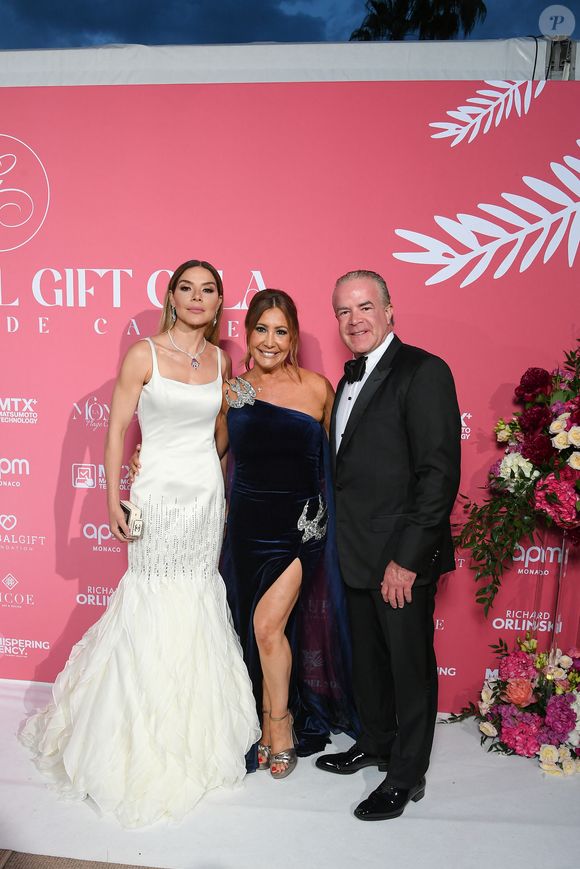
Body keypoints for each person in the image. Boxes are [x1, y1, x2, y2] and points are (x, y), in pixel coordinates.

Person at [20, 259, 260, 828]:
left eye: (208, 290)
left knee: (197, 596)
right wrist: (112, 498)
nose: (197, 298)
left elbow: (217, 436)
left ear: (218, 302)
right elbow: (114, 432)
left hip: (205, 501)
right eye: (186, 288)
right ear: (172, 297)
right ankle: (135, 730)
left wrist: (217, 467)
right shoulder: (142, 355)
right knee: (151, 597)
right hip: (156, 497)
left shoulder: (222, 361)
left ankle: (194, 731)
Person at [315, 269, 461, 821]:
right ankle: (376, 742)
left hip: (400, 557)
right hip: (355, 551)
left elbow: (437, 475)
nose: (354, 320)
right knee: (370, 664)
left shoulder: (423, 371)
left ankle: (406, 775)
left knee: (409, 667)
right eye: (343, 311)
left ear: (389, 310)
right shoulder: (347, 379)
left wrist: (406, 559)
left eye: (365, 307)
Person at [221, 289, 358, 777]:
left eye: (281, 331)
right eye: (261, 329)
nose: (270, 341)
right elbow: (209, 452)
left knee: (267, 626)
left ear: (293, 336)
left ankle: (278, 726)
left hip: (300, 530)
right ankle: (262, 719)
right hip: (246, 529)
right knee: (250, 630)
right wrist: (147, 458)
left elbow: (340, 463)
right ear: (247, 333)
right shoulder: (232, 392)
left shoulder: (318, 389)